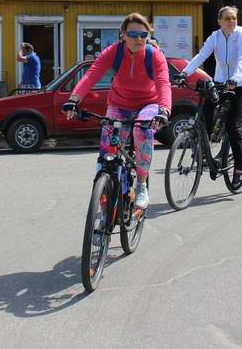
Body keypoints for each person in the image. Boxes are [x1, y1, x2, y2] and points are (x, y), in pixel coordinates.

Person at [62, 13, 170, 210]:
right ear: (122, 35)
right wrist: (73, 99)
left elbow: (163, 83)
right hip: (119, 105)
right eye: (132, 34)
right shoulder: (113, 52)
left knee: (142, 130)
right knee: (107, 152)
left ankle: (142, 185)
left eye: (143, 34)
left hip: (148, 104)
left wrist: (164, 110)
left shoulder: (154, 55)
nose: (138, 38)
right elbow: (92, 75)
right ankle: (103, 190)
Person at [180, 6, 242, 185]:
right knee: (207, 109)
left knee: (231, 124)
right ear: (220, 21)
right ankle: (204, 148)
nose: (231, 22)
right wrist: (185, 72)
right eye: (227, 18)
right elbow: (201, 55)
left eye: (234, 18)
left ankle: (239, 167)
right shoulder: (215, 36)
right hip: (221, 82)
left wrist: (236, 78)